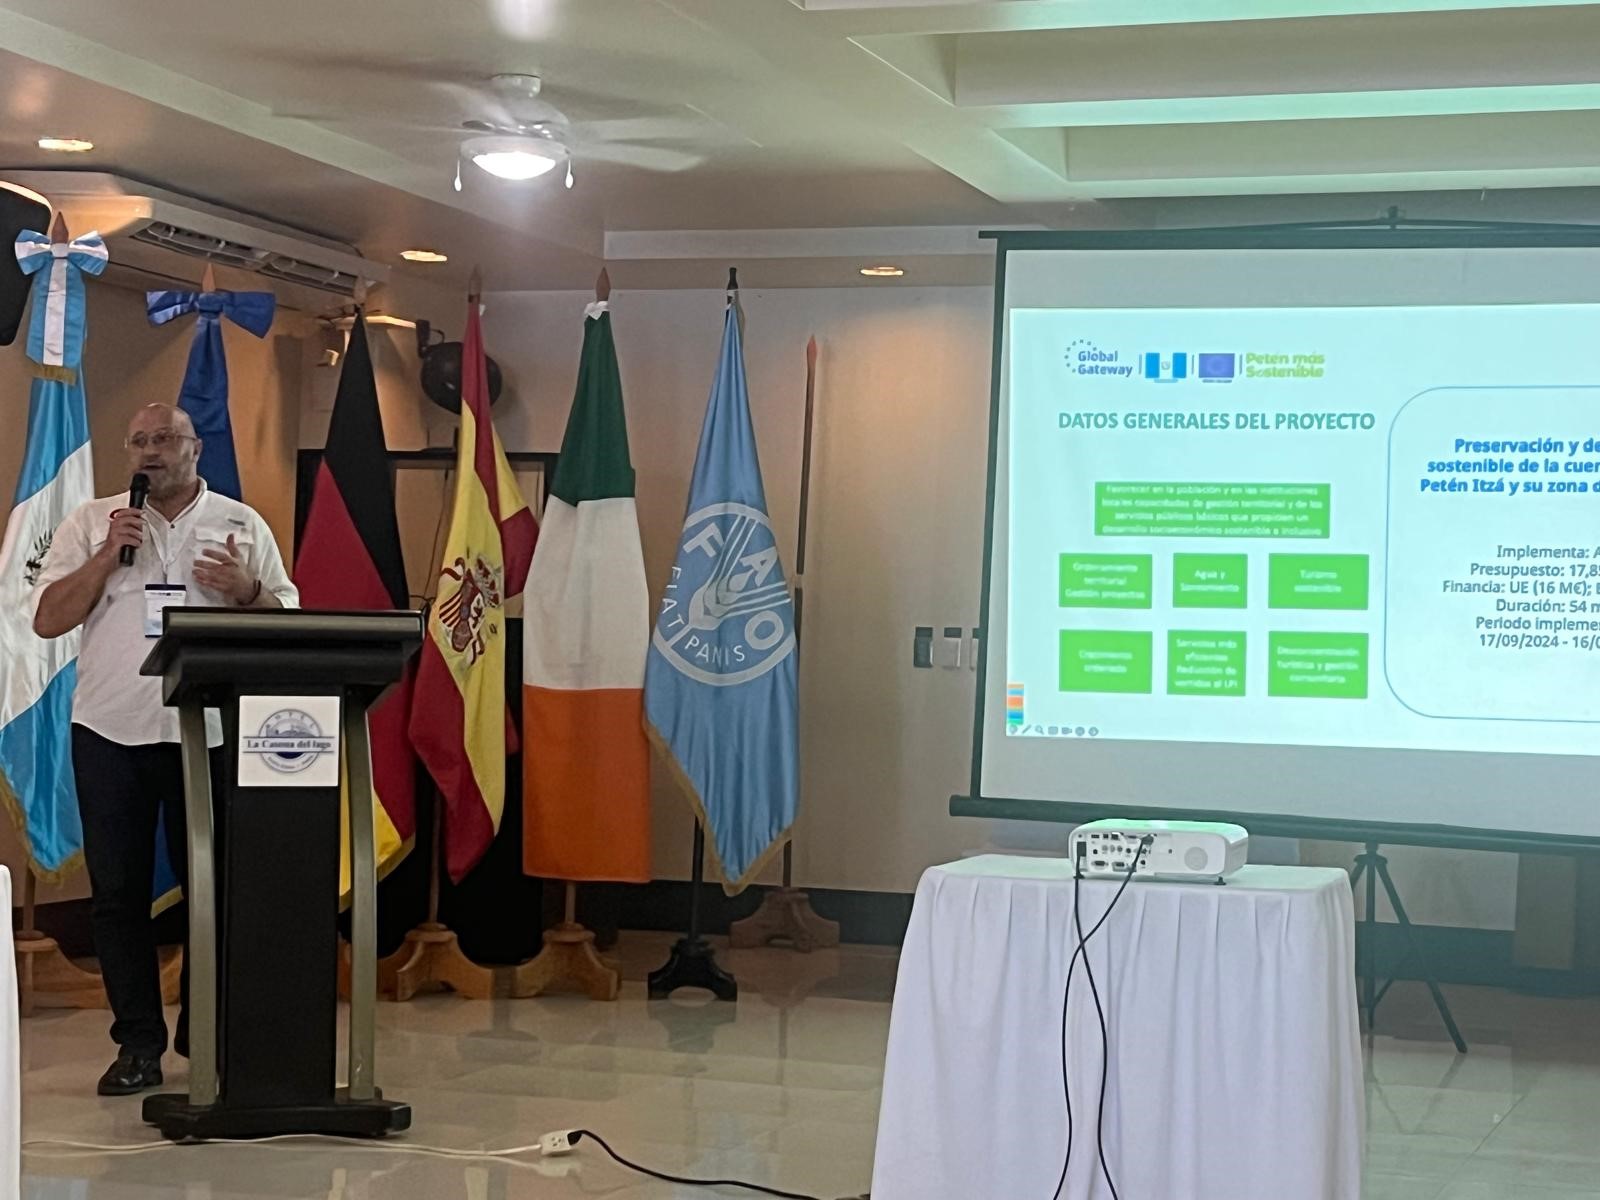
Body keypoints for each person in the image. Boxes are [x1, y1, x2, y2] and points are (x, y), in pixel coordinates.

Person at [32, 403, 299, 1096]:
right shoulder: (94, 520)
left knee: (213, 891)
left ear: (195, 448)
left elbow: (289, 623)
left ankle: (206, 1033)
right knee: (116, 896)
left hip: (205, 732)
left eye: (164, 439)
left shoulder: (241, 522)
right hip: (108, 732)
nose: (150, 451)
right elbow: (48, 619)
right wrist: (104, 556)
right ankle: (138, 1044)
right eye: (139, 440)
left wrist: (248, 592)